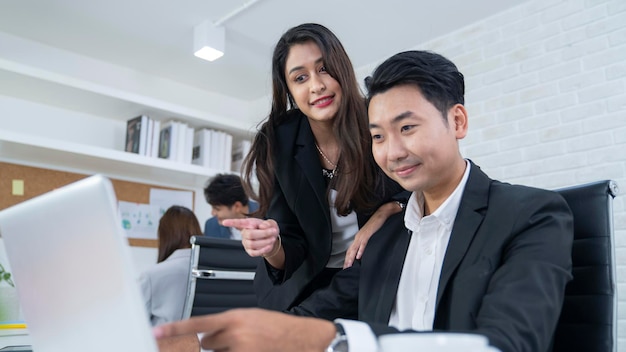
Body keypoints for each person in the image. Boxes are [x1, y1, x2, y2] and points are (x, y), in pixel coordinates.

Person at [154, 50, 574, 352]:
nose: (391, 152)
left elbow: (507, 344)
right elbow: (318, 311)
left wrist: (335, 340)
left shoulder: (531, 216)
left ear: (457, 121)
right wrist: (214, 341)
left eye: (407, 127)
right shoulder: (388, 236)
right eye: (377, 136)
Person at [222, 23, 405, 311]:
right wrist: (271, 246)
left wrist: (390, 208)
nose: (316, 86)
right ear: (289, 90)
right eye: (300, 78)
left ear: (341, 68)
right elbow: (289, 245)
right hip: (299, 287)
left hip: (368, 279)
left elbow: (419, 189)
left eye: (324, 69)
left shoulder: (377, 121)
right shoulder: (278, 141)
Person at [138, 205, 203, 326]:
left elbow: (133, 325)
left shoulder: (151, 276)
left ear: (165, 236)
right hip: (204, 343)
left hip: (163, 343)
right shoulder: (213, 271)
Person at [203, 173, 259, 239]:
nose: (213, 213)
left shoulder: (267, 216)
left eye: (217, 209)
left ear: (237, 206)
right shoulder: (211, 225)